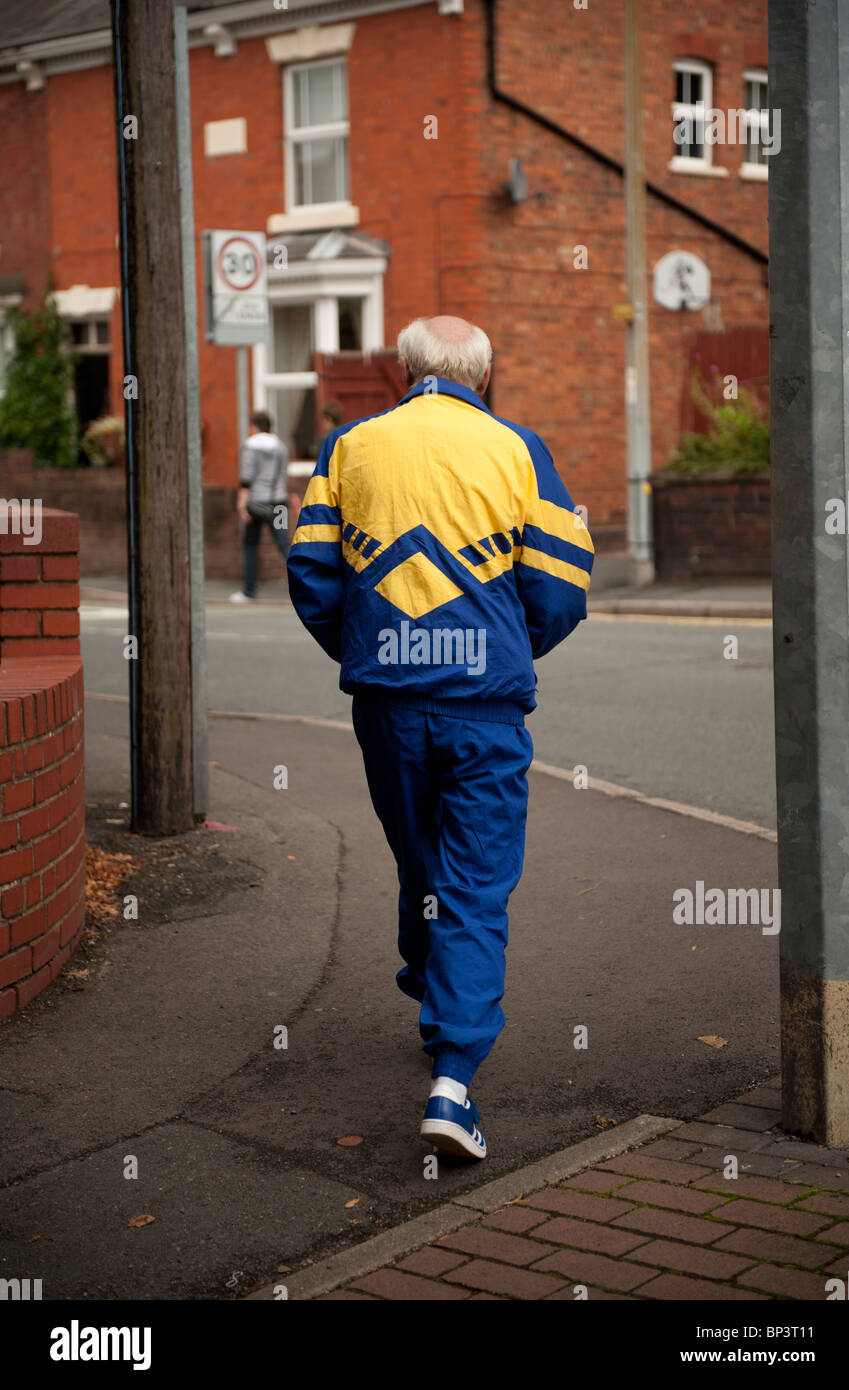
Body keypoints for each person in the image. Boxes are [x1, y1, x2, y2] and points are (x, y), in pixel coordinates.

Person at [287, 316, 593, 1159]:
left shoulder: (349, 446)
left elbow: (312, 575)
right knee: (476, 881)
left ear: (402, 369)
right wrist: (503, 646)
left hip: (387, 702)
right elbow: (562, 586)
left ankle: (430, 978)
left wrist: (370, 651)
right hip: (482, 705)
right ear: (483, 376)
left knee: (421, 857)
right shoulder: (518, 448)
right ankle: (453, 1084)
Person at [230, 411, 295, 603]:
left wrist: (242, 506)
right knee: (285, 544)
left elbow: (246, 479)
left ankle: (249, 591)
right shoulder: (281, 446)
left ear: (254, 426)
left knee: (250, 544)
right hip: (279, 502)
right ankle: (308, 585)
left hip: (257, 504)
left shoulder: (250, 446)